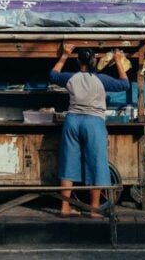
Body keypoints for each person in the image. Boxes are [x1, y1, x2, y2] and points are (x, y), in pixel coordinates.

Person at [49, 44, 130, 217]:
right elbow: (125, 84)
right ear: (94, 60)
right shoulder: (102, 79)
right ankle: (94, 209)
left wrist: (64, 55)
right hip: (93, 123)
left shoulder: (71, 78)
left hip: (72, 122)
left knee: (68, 162)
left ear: (78, 61)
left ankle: (64, 207)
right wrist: (118, 61)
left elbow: (53, 75)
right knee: (96, 163)